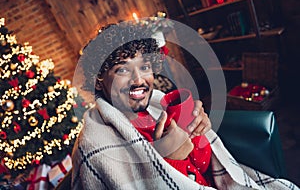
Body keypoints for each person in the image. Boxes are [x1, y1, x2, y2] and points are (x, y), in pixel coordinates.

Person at [71, 21, 299, 190]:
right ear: (99, 78)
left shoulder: (157, 108)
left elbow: (200, 166)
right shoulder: (94, 148)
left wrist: (198, 133)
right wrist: (171, 159)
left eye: (144, 67)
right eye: (122, 69)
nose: (139, 80)